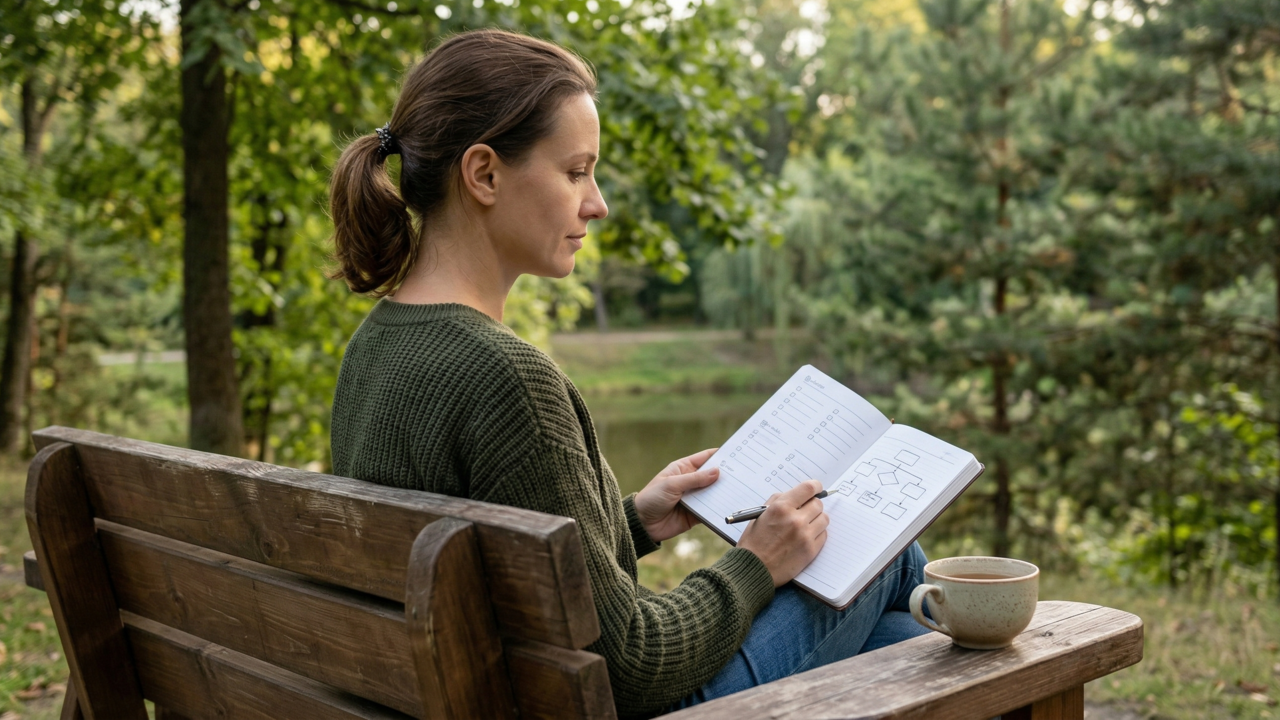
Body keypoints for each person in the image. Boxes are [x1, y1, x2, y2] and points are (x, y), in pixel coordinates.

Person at [327, 28, 928, 719]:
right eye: (577, 171)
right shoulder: (506, 377)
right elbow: (636, 668)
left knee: (893, 642)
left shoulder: (375, 346)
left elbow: (503, 573)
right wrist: (757, 562)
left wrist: (631, 521)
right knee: (887, 557)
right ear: (484, 173)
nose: (598, 202)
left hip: (473, 697)